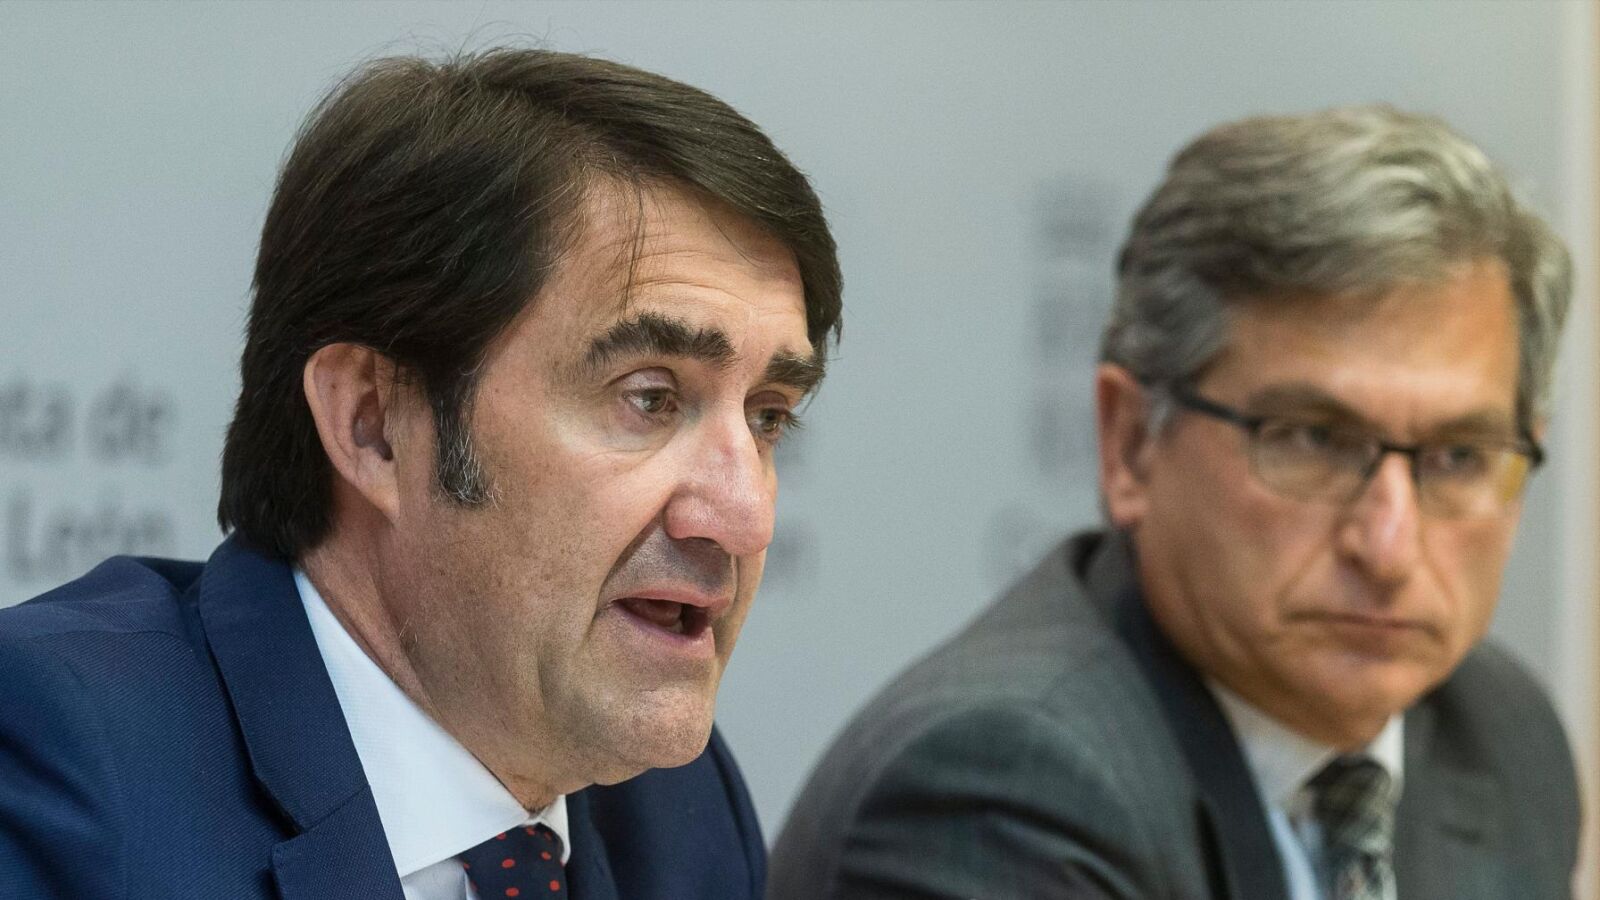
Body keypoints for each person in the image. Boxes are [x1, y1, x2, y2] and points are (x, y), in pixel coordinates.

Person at [0, 47, 841, 900]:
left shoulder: (674, 814)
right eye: (650, 398)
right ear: (374, 425)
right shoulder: (62, 761)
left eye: (768, 416)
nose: (746, 516)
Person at [769, 105, 1577, 900]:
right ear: (1131, 443)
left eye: (1459, 457)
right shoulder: (1000, 789)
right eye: (1312, 440)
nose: (1390, 546)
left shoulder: (1494, 731)